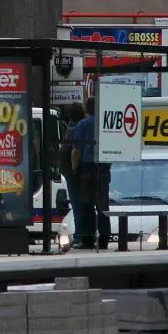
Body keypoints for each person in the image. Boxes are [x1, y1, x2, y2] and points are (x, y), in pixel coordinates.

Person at [69, 97, 112, 249]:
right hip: (104, 168)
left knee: (86, 205)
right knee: (103, 206)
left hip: (87, 169)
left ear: (86, 108)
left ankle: (88, 239)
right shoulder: (105, 122)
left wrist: (74, 168)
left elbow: (76, 150)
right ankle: (104, 239)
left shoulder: (83, 124)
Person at [58, 102, 87, 242]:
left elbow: (73, 151)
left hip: (73, 172)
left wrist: (72, 169)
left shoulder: (72, 129)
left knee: (77, 205)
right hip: (77, 171)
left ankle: (80, 235)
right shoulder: (79, 127)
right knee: (82, 205)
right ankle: (82, 234)